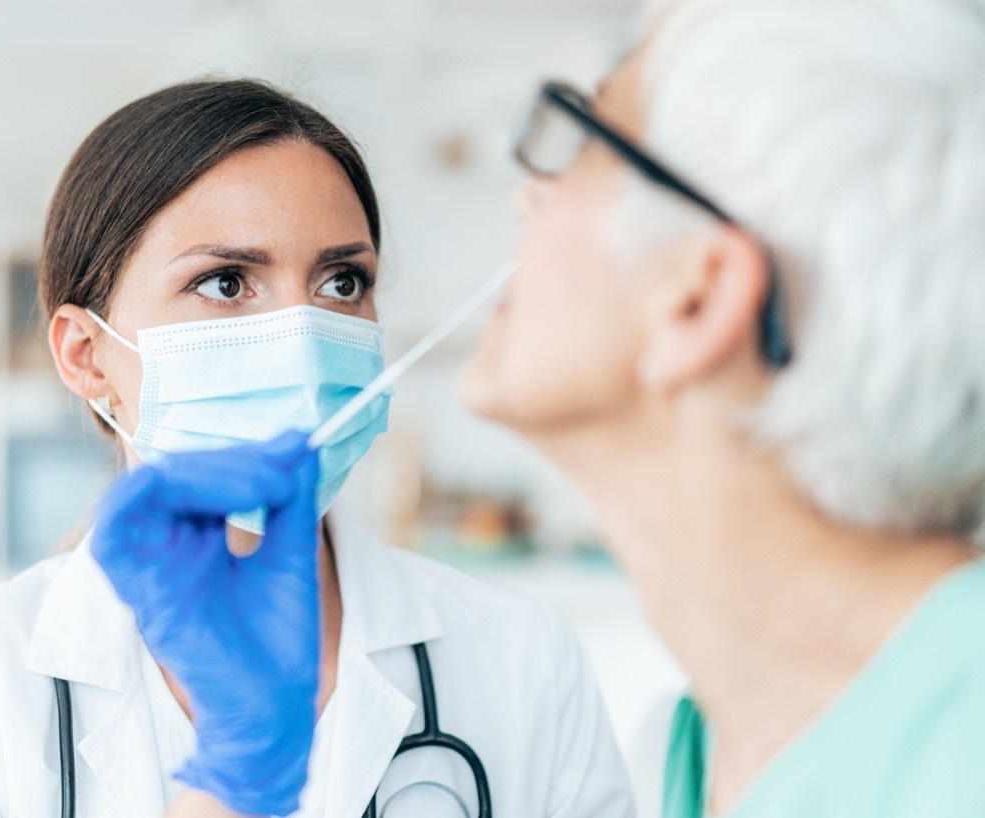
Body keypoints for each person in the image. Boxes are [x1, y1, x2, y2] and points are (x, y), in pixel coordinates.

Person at [79, 0, 985, 816]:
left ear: (696, 300)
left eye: (585, 144)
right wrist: (238, 777)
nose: (527, 190)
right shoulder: (705, 755)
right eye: (228, 282)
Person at [0, 79, 634, 818]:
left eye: (342, 283)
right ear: (85, 355)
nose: (302, 335)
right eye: (226, 281)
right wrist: (235, 774)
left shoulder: (524, 660)